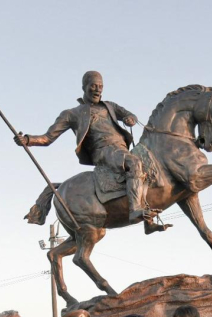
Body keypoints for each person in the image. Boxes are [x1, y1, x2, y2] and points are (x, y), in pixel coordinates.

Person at [15, 70, 167, 234]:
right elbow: (48, 138)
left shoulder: (110, 106)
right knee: (134, 163)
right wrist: (28, 140)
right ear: (84, 87)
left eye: (100, 86)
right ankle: (135, 209)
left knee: (153, 168)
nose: (97, 90)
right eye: (93, 86)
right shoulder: (72, 113)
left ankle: (148, 223)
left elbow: (128, 115)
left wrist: (131, 118)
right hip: (103, 151)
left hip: (122, 149)